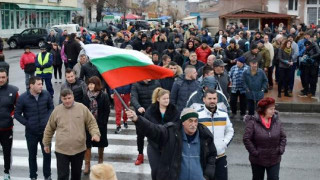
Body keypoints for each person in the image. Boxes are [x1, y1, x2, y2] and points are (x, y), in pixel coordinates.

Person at [126, 107, 217, 180]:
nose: (193, 124)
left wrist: (207, 175)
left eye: (195, 121)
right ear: (183, 122)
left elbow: (212, 155)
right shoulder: (171, 133)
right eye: (190, 121)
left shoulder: (204, 135)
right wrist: (137, 119)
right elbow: (153, 130)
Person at [43, 89, 101, 180]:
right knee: (62, 176)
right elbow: (49, 128)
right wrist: (46, 143)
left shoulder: (82, 108)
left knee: (76, 176)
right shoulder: (57, 110)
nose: (67, 101)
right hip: (62, 150)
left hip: (78, 149)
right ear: (61, 99)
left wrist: (95, 133)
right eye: (64, 98)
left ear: (73, 96)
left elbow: (91, 122)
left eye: (69, 98)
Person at [14, 76, 54, 180]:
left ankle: (47, 176)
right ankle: (33, 176)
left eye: (42, 84)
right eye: (39, 84)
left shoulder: (46, 94)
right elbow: (17, 114)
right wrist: (28, 123)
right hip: (31, 133)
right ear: (31, 85)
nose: (41, 86)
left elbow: (51, 108)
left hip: (45, 132)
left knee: (47, 154)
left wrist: (47, 120)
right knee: (32, 156)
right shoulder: (23, 98)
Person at [243, 97, 287, 180]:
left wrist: (280, 149)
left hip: (274, 159)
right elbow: (246, 139)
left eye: (274, 109)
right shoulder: (252, 122)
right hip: (258, 159)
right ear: (263, 110)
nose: (273, 111)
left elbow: (283, 137)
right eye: (271, 109)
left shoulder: (277, 121)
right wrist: (255, 152)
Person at [198, 88, 234, 180]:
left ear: (217, 99)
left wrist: (224, 143)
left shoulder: (223, 115)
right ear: (204, 99)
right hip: (203, 158)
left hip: (220, 157)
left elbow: (230, 131)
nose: (212, 101)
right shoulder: (198, 115)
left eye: (214, 98)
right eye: (209, 98)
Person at [144, 87, 180, 180]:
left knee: (167, 170)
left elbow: (177, 124)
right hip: (154, 144)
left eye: (168, 98)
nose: (166, 100)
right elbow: (146, 125)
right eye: (164, 98)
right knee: (155, 169)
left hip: (169, 145)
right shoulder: (151, 110)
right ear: (158, 99)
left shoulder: (174, 110)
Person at [83, 76, 110, 174]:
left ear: (97, 85)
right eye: (89, 84)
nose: (90, 86)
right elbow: (83, 109)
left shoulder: (103, 96)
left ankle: (100, 160)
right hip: (88, 124)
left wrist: (103, 123)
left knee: (101, 143)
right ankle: (87, 164)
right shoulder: (86, 95)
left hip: (100, 123)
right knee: (87, 144)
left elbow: (106, 111)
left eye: (92, 84)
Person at [130, 79, 161, 165]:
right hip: (141, 113)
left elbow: (160, 95)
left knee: (154, 134)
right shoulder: (136, 84)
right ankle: (140, 154)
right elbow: (133, 97)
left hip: (153, 113)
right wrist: (138, 106)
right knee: (140, 136)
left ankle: (156, 154)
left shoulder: (156, 83)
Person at [0, 68, 19, 180]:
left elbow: (19, 106)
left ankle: (7, 172)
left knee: (7, 152)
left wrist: (11, 115)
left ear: (7, 77)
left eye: (3, 77)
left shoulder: (14, 91)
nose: (1, 79)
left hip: (7, 129)